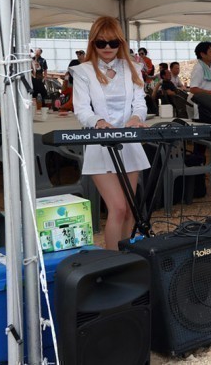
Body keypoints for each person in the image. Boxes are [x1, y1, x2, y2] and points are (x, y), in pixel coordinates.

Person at [70, 17, 149, 250]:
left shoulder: (133, 68)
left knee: (130, 209)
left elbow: (140, 103)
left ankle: (128, 257)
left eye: (113, 42)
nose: (107, 48)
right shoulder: (83, 71)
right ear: (92, 43)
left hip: (129, 142)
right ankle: (114, 261)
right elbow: (81, 109)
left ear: (121, 43)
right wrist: (99, 121)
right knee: (118, 207)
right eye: (101, 43)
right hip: (100, 144)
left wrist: (136, 118)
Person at [189, 41, 211, 122]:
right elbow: (193, 89)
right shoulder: (199, 68)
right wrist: (209, 93)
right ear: (203, 54)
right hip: (204, 108)